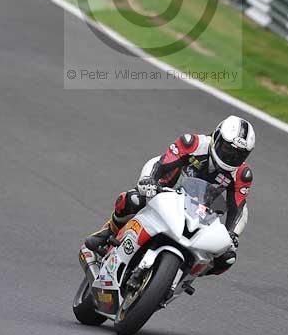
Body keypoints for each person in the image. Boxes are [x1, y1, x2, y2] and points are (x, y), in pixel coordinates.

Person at [85, 115, 255, 275]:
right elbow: (161, 163)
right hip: (164, 192)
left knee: (227, 257)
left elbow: (238, 207)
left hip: (202, 214)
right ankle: (107, 233)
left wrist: (232, 233)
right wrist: (149, 180)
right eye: (227, 149)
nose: (231, 156)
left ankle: (186, 273)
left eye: (239, 155)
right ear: (216, 137)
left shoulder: (242, 174)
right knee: (131, 200)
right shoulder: (192, 143)